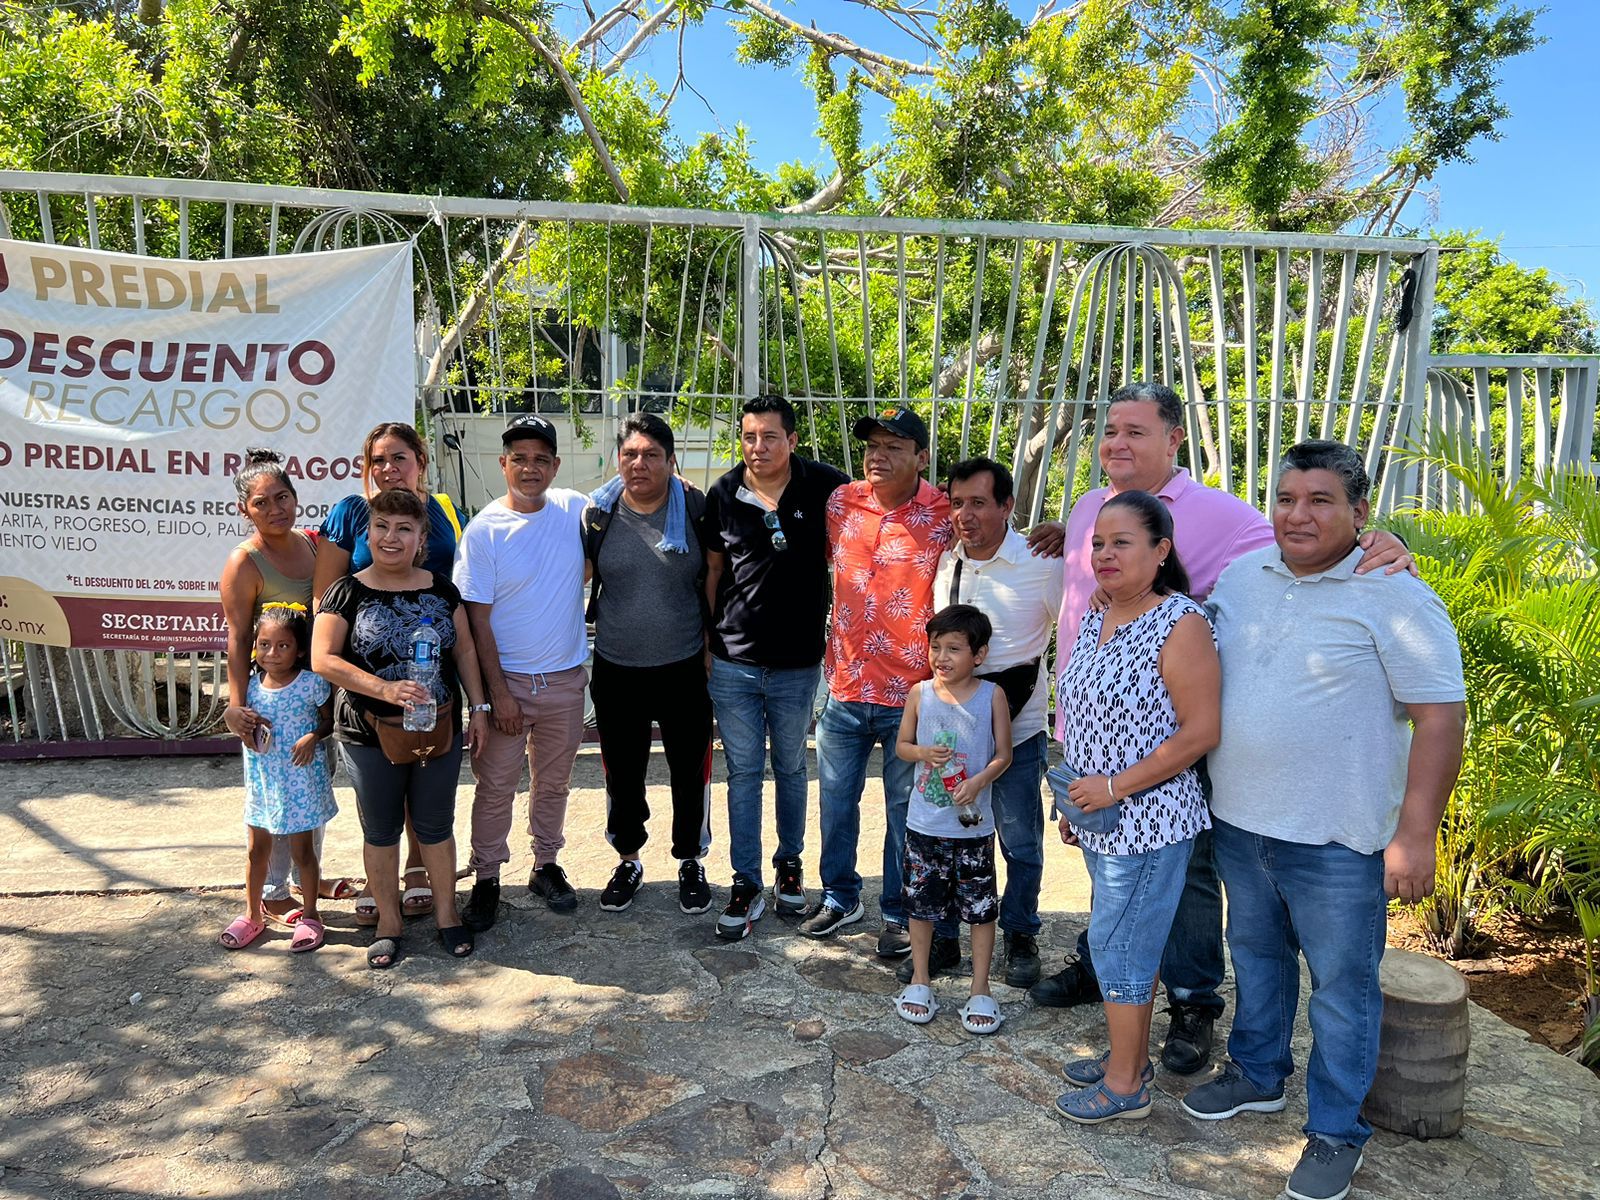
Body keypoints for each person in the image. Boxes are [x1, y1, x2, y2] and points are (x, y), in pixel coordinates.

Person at [1032, 381, 1412, 1078]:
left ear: (1174, 439)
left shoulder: (1223, 515)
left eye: (1135, 431)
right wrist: (1065, 536)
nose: (1117, 442)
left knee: (1185, 882)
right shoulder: (1090, 504)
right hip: (1088, 733)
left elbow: (1309, 540)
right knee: (1115, 888)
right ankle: (1110, 978)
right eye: (1110, 429)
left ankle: (1192, 1001)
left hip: (1159, 743)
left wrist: (1382, 541)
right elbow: (1087, 580)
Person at [1181, 441, 1465, 1200]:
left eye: (1319, 501)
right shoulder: (1244, 575)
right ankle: (1258, 1073)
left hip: (1339, 840)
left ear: (1360, 514)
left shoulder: (1395, 592)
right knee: (1258, 958)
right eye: (1285, 498)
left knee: (1342, 989)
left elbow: (1441, 718)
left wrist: (1415, 835)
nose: (1297, 515)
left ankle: (1337, 1131)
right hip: (1240, 821)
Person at [1052, 491, 1220, 1124]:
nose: (1105, 554)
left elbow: (1201, 731)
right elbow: (1091, 720)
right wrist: (1079, 798)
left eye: (1123, 543)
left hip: (1151, 821)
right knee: (1123, 941)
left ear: (1161, 551)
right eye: (1098, 543)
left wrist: (1114, 787)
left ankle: (1126, 1086)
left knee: (1120, 948)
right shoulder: (1099, 616)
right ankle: (1129, 1056)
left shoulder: (1179, 622)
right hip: (1103, 817)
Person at [312, 487, 490, 969]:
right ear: (369, 533)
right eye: (382, 527)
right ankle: (389, 923)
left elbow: (466, 651)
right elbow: (323, 658)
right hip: (368, 732)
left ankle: (447, 917)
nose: (392, 537)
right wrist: (384, 689)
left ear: (421, 537)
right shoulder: (346, 590)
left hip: (438, 728)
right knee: (382, 828)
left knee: (435, 826)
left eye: (404, 528)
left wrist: (480, 708)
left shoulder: (440, 589)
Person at [801, 406, 956, 950]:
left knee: (902, 810)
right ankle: (841, 897)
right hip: (844, 686)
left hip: (910, 694)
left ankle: (897, 911)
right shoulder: (841, 503)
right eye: (872, 445)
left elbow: (994, 540)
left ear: (921, 457)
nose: (878, 455)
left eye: (894, 446)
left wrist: (1054, 535)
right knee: (835, 803)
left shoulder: (944, 513)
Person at [703, 395, 849, 940]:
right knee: (743, 772)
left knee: (789, 768)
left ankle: (790, 863)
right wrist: (708, 645)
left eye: (769, 437)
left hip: (796, 664)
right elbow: (715, 573)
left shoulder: (826, 485)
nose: (757, 447)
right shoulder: (724, 492)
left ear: (791, 439)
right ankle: (745, 880)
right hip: (734, 662)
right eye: (748, 437)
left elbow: (884, 512)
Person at [922, 457, 1064, 989]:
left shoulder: (1042, 562)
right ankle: (948, 934)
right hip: (953, 735)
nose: (966, 515)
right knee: (951, 838)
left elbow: (1074, 629)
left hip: (1019, 732)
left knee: (1019, 840)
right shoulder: (944, 564)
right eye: (957, 503)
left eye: (979, 503)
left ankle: (1021, 933)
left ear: (1007, 506)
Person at [314, 422, 462, 925]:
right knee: (379, 799)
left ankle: (419, 872)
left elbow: (456, 597)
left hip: (432, 682)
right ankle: (384, 899)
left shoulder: (444, 512)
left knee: (429, 790)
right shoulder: (351, 511)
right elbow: (325, 595)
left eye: (398, 458)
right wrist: (341, 669)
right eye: (377, 460)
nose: (387, 469)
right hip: (366, 686)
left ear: (420, 460)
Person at [454, 415, 590, 931]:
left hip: (563, 682)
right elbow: (476, 619)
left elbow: (628, 487)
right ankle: (487, 877)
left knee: (553, 785)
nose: (529, 468)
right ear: (502, 463)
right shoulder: (486, 529)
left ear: (554, 465)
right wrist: (495, 695)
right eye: (519, 458)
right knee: (495, 787)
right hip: (509, 684)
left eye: (540, 459)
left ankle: (545, 864)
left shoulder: (575, 509)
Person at [584, 412, 716, 917]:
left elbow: (713, 576)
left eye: (651, 455)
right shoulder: (597, 514)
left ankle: (689, 860)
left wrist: (708, 646)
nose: (639, 464)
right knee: (623, 772)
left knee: (691, 771)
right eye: (630, 454)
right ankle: (629, 858)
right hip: (617, 667)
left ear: (670, 460)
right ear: (619, 459)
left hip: (683, 665)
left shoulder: (695, 507)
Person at [219, 449, 355, 920]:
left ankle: (305, 876)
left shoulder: (314, 546)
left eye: (283, 497)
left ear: (296, 498)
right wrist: (235, 706)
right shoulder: (244, 563)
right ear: (245, 510)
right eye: (262, 502)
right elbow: (238, 640)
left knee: (312, 785)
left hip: (316, 693)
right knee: (274, 794)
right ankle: (274, 888)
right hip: (271, 704)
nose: (275, 509)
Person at [892, 605, 1012, 1033]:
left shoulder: (991, 695)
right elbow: (903, 746)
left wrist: (978, 781)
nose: (941, 657)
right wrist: (923, 753)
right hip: (925, 824)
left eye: (954, 649)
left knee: (980, 909)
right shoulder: (919, 694)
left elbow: (1004, 754)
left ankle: (981, 988)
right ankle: (921, 979)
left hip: (973, 826)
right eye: (935, 647)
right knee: (921, 906)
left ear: (978, 655)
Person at [217, 603, 337, 954]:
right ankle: (253, 913)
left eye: (283, 646)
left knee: (303, 852)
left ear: (300, 650)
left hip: (299, 782)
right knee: (257, 851)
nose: (272, 653)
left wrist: (313, 736)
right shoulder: (250, 688)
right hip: (263, 782)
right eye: (264, 644)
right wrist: (248, 724)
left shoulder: (312, 684)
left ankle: (312, 916)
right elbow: (241, 723)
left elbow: (328, 721)